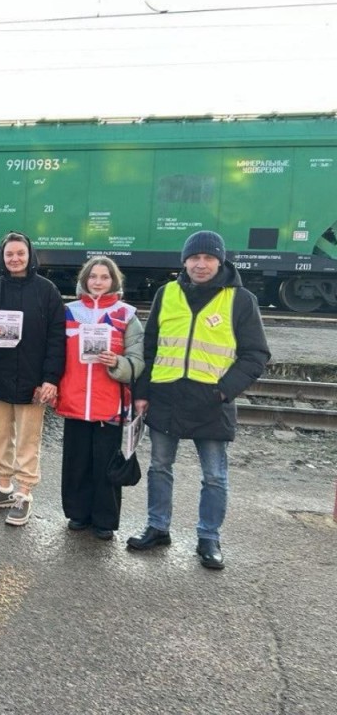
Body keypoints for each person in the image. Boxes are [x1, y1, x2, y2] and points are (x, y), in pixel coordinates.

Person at [127, 231, 270, 569]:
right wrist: (142, 393)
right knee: (160, 467)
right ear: (185, 261)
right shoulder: (167, 293)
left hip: (212, 402)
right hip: (167, 396)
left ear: (220, 262)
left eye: (208, 258)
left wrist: (223, 391)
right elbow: (150, 347)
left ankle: (208, 538)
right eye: (195, 258)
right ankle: (158, 527)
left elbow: (256, 354)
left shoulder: (240, 299)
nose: (201, 264)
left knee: (214, 476)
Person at [0, 231, 66, 527]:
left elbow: (57, 338)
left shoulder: (47, 291)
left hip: (34, 381)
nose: (15, 259)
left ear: (30, 255)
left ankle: (24, 493)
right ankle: (3, 488)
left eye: (20, 253)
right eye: (9, 254)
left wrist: (51, 378)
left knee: (28, 439)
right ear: (2, 257)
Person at [55, 257, 145, 540]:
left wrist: (117, 362)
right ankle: (78, 514)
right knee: (76, 463)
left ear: (114, 282)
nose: (97, 282)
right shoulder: (69, 312)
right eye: (92, 276)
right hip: (75, 401)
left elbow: (138, 360)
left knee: (105, 465)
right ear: (84, 280)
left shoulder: (126, 315)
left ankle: (105, 520)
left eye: (104, 277)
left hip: (110, 404)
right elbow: (55, 354)